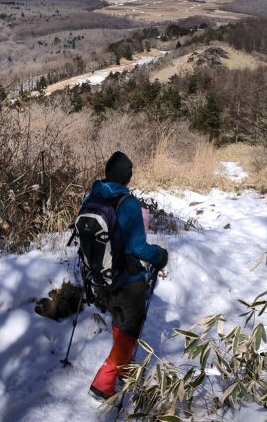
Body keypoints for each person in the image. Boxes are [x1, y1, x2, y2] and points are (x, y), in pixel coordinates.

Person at [88, 150, 168, 401]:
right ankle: (103, 383)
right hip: (128, 278)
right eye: (129, 170)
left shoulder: (93, 196)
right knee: (129, 331)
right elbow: (138, 248)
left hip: (102, 276)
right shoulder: (129, 204)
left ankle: (123, 367)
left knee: (120, 324)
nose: (131, 174)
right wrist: (160, 255)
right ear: (126, 175)